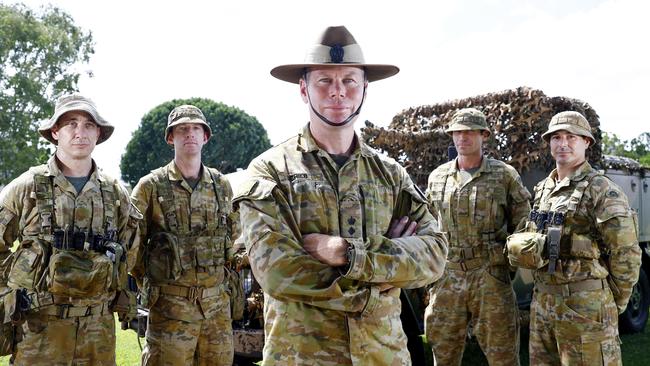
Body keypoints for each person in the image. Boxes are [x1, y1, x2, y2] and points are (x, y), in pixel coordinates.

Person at [234, 25, 448, 365]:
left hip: (384, 355)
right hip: (303, 356)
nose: (338, 92)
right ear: (304, 90)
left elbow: (435, 255)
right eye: (324, 81)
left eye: (349, 80)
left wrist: (346, 253)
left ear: (364, 88)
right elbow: (277, 272)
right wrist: (383, 278)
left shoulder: (390, 175)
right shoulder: (270, 172)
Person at [0, 94, 141, 365]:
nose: (80, 132)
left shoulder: (115, 193)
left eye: (88, 125)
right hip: (40, 330)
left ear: (98, 133)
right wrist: (14, 291)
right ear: (55, 131)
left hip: (97, 332)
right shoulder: (26, 187)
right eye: (71, 124)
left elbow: (130, 250)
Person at [506, 111, 641, 365]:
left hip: (585, 309)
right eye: (556, 137)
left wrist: (612, 303)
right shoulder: (544, 188)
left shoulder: (600, 189)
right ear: (549, 142)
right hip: (543, 307)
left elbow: (626, 253)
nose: (563, 143)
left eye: (571, 137)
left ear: (586, 142)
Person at [130, 105, 237, 365]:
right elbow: (131, 246)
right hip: (170, 312)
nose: (190, 133)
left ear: (205, 136)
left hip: (216, 313)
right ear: (171, 138)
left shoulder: (221, 185)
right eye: (182, 129)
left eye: (196, 128)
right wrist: (158, 283)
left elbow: (233, 238)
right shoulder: (150, 186)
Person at [424, 108, 531, 365]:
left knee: (503, 353)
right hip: (448, 276)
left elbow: (524, 222)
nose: (463, 137)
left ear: (484, 135)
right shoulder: (437, 177)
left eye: (470, 131)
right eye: (457, 132)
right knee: (443, 352)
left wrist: (511, 261)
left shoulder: (503, 175)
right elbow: (426, 223)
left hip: (490, 275)